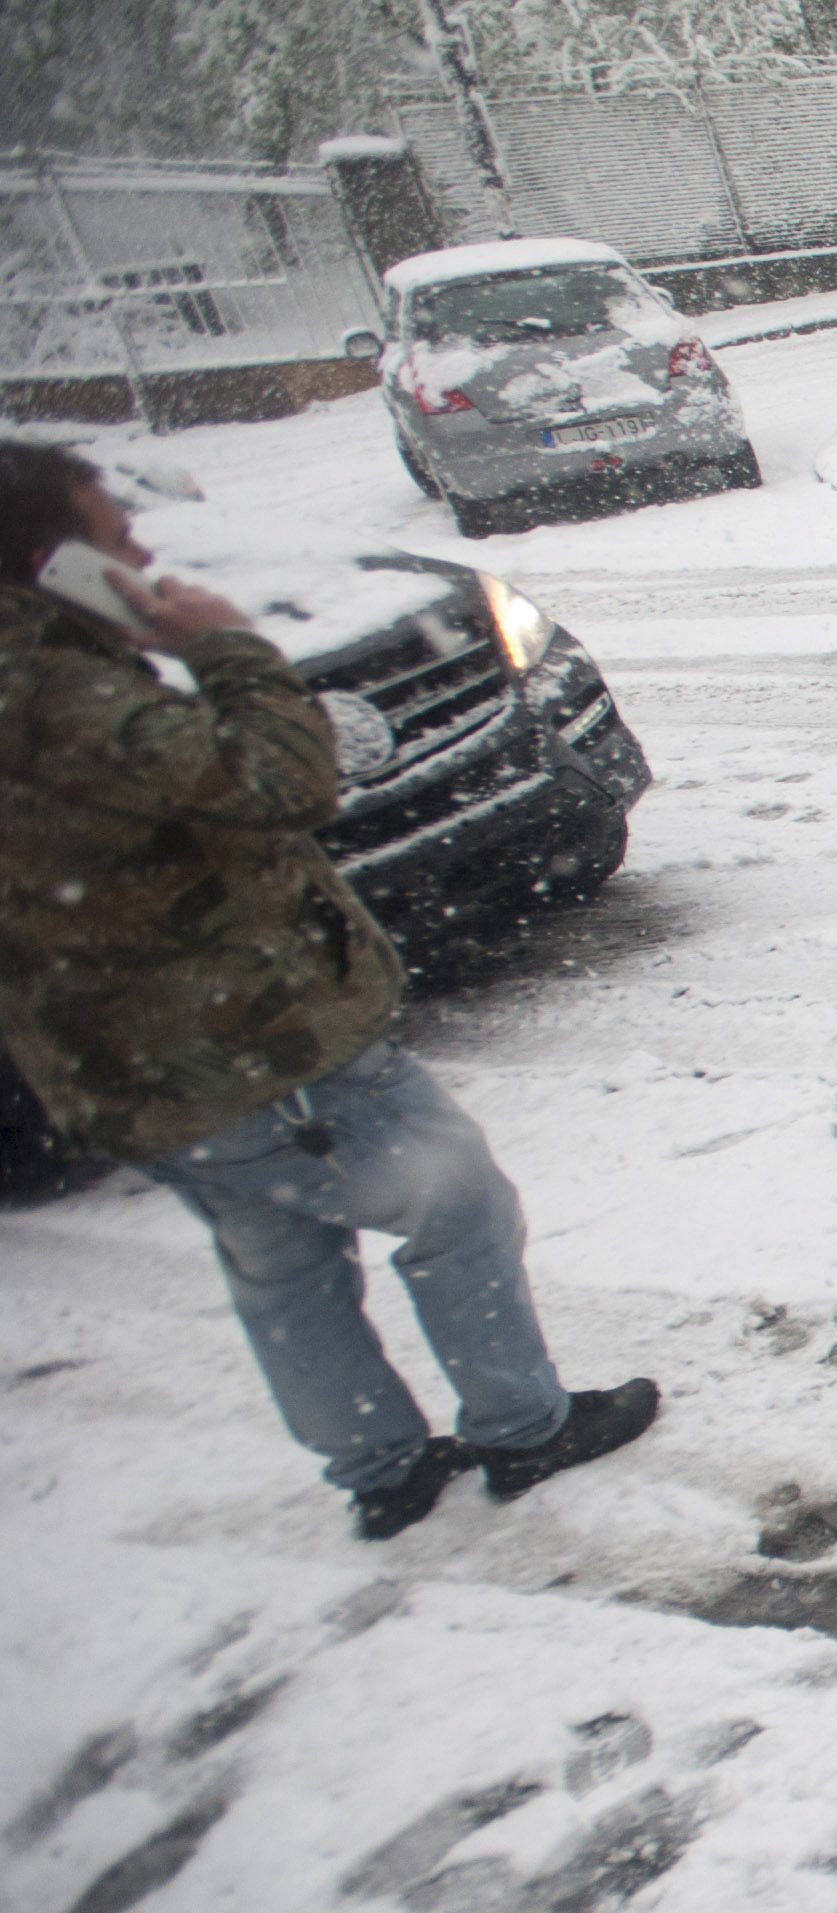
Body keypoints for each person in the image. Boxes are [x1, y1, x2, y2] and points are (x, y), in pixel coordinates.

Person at [0, 440, 657, 1539]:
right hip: (255, 1042)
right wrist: (230, 650)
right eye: (119, 538)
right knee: (459, 1205)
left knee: (278, 1259)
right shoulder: (52, 692)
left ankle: (381, 1466)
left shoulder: (44, 677)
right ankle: (522, 1427)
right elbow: (286, 780)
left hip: (127, 1062)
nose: (145, 548)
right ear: (54, 563)